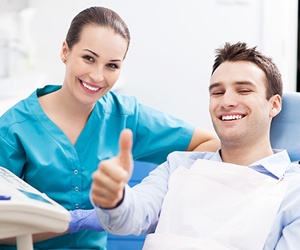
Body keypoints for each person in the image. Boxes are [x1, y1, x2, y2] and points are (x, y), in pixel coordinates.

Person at [0, 6, 220, 250]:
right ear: (65, 51)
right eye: (88, 58)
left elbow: (209, 144)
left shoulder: (125, 116)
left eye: (112, 65)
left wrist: (148, 195)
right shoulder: (14, 128)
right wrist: (72, 222)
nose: (97, 76)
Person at [91, 42, 300, 249]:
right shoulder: (179, 166)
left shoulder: (294, 192)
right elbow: (133, 216)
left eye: (243, 90)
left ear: (274, 105)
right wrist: (115, 199)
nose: (226, 102)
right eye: (217, 92)